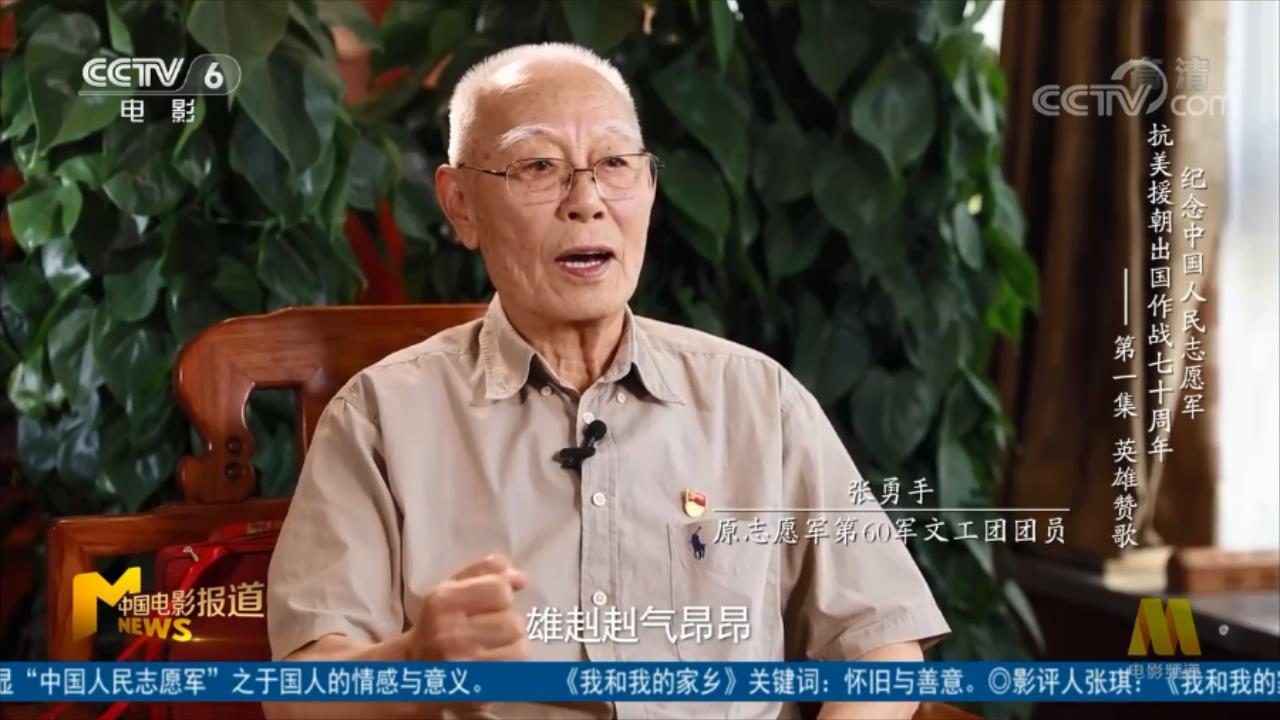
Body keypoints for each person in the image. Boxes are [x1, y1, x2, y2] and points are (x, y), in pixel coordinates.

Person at [264, 42, 950, 720]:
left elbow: (880, 644)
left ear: (648, 188)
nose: (586, 201)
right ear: (461, 204)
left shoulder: (758, 400)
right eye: (539, 166)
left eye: (615, 164)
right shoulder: (381, 417)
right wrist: (416, 667)